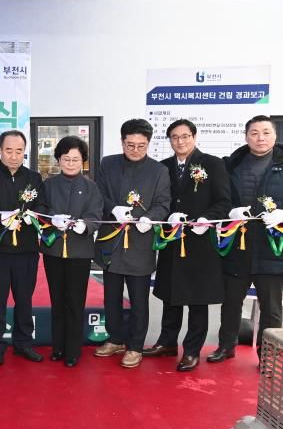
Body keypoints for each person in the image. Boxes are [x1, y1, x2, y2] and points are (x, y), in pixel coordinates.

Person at [141, 120, 231, 371]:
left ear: (194, 136)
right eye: (174, 137)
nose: (180, 141)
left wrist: (206, 219)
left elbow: (224, 201)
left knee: (197, 299)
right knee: (171, 295)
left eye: (185, 136)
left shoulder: (213, 164)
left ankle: (192, 350)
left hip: (200, 242)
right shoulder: (163, 167)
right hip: (172, 241)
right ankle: (167, 342)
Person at [94, 119, 170, 368]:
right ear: (122, 142)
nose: (135, 150)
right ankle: (115, 338)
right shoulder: (108, 164)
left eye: (141, 146)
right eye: (130, 145)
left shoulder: (158, 171)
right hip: (112, 240)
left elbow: (163, 203)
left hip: (140, 242)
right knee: (111, 296)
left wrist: (150, 218)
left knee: (139, 299)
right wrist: (112, 208)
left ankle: (135, 346)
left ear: (149, 144)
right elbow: (98, 194)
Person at [209, 115, 283, 363]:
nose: (260, 138)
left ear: (275, 135)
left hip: (271, 248)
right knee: (231, 302)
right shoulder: (230, 165)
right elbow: (219, 198)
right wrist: (230, 211)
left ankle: (268, 357)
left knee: (272, 309)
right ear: (246, 136)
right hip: (237, 245)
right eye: (254, 133)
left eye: (266, 132)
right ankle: (225, 346)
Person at [0, 130, 44, 366]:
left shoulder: (34, 178)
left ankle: (23, 343)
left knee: (24, 299)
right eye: (9, 150)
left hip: (27, 251)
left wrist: (32, 216)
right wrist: (0, 219)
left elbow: (43, 206)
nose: (14, 156)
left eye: (19, 151)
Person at [40, 136, 104, 367]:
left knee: (75, 301)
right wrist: (51, 219)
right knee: (57, 300)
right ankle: (58, 347)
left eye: (75, 159)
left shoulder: (91, 187)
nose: (70, 163)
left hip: (80, 252)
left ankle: (73, 350)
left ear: (83, 161)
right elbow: (41, 209)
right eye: (66, 158)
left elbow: (96, 214)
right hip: (54, 250)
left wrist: (85, 225)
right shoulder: (48, 185)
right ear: (58, 160)